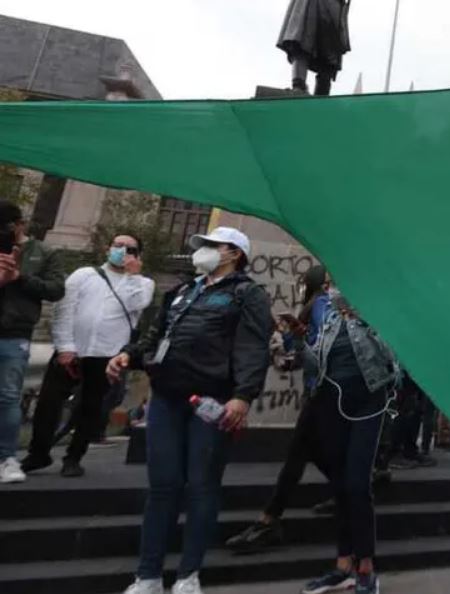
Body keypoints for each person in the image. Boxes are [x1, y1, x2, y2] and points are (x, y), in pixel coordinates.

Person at [109, 227, 273, 594]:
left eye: (213, 246)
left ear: (233, 253)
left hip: (211, 402)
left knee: (201, 485)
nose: (204, 251)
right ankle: (148, 575)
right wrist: (130, 355)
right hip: (167, 396)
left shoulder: (247, 294)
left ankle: (188, 575)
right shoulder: (182, 290)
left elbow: (253, 348)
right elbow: (157, 336)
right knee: (162, 486)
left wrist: (243, 395)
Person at [22, 234, 155, 477]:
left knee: (91, 408)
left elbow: (138, 303)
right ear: (108, 248)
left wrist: (133, 275)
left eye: (130, 248)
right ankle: (38, 453)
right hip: (73, 350)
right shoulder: (84, 275)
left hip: (108, 356)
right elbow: (64, 310)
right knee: (48, 404)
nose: (122, 251)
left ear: (138, 255)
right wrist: (65, 346)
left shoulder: (143, 283)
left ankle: (74, 457)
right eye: (118, 245)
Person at [299, 272, 398, 594]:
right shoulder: (323, 313)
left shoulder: (378, 309)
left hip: (368, 400)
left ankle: (366, 567)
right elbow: (313, 358)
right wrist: (293, 340)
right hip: (330, 402)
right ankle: (343, 566)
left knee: (357, 484)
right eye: (328, 282)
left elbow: (394, 359)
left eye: (337, 279)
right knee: (340, 485)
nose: (332, 287)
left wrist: (364, 320)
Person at [227, 265, 330, 553]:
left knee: (299, 454)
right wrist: (291, 337)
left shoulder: (320, 304)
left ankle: (269, 519)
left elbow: (312, 352)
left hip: (322, 392)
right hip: (321, 391)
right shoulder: (319, 306)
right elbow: (301, 355)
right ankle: (347, 491)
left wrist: (291, 339)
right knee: (311, 454)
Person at [210, 0, 360, 96]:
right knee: (300, 45)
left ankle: (321, 96)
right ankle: (298, 87)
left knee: (328, 58)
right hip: (306, 4)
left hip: (331, 12)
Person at [0, 200, 65, 484]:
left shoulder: (43, 252)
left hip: (15, 332)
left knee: (8, 396)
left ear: (20, 225)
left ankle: (6, 457)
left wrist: (19, 278)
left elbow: (55, 289)